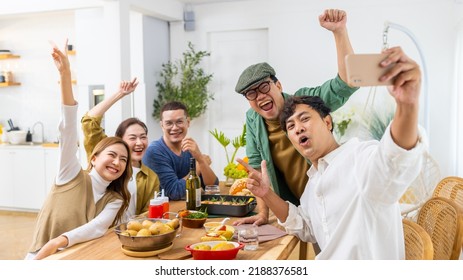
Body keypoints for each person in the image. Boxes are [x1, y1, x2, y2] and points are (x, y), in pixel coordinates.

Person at [238, 46, 425, 259]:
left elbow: (393, 162)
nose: (297, 127)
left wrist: (407, 104)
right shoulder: (312, 185)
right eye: (290, 126)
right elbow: (305, 226)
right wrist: (266, 194)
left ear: (327, 122)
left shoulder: (359, 158)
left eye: (305, 119)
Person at [233, 9, 358, 226]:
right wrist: (263, 214)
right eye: (251, 94)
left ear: (278, 85)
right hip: (297, 207)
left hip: (334, 198)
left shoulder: (304, 103)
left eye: (264, 87)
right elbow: (256, 168)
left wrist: (339, 32)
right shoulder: (253, 119)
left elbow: (347, 83)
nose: (260, 96)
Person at [25, 40, 132, 260]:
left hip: (76, 257)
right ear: (93, 158)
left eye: (123, 159)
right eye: (111, 155)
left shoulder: (115, 199)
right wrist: (65, 74)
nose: (117, 162)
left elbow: (96, 228)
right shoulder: (70, 174)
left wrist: (59, 241)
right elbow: (68, 129)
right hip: (39, 257)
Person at [81, 78, 160, 222]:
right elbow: (89, 122)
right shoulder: (106, 158)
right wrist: (119, 94)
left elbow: (148, 214)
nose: (139, 143)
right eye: (132, 138)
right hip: (95, 233)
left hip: (128, 235)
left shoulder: (151, 177)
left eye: (143, 137)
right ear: (119, 140)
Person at [142, 101, 219, 200]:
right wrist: (198, 166)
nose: (174, 128)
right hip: (161, 212)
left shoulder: (188, 148)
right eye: (169, 123)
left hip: (184, 209)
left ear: (188, 122)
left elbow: (212, 187)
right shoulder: (154, 152)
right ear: (162, 126)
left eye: (179, 122)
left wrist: (201, 160)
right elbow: (174, 192)